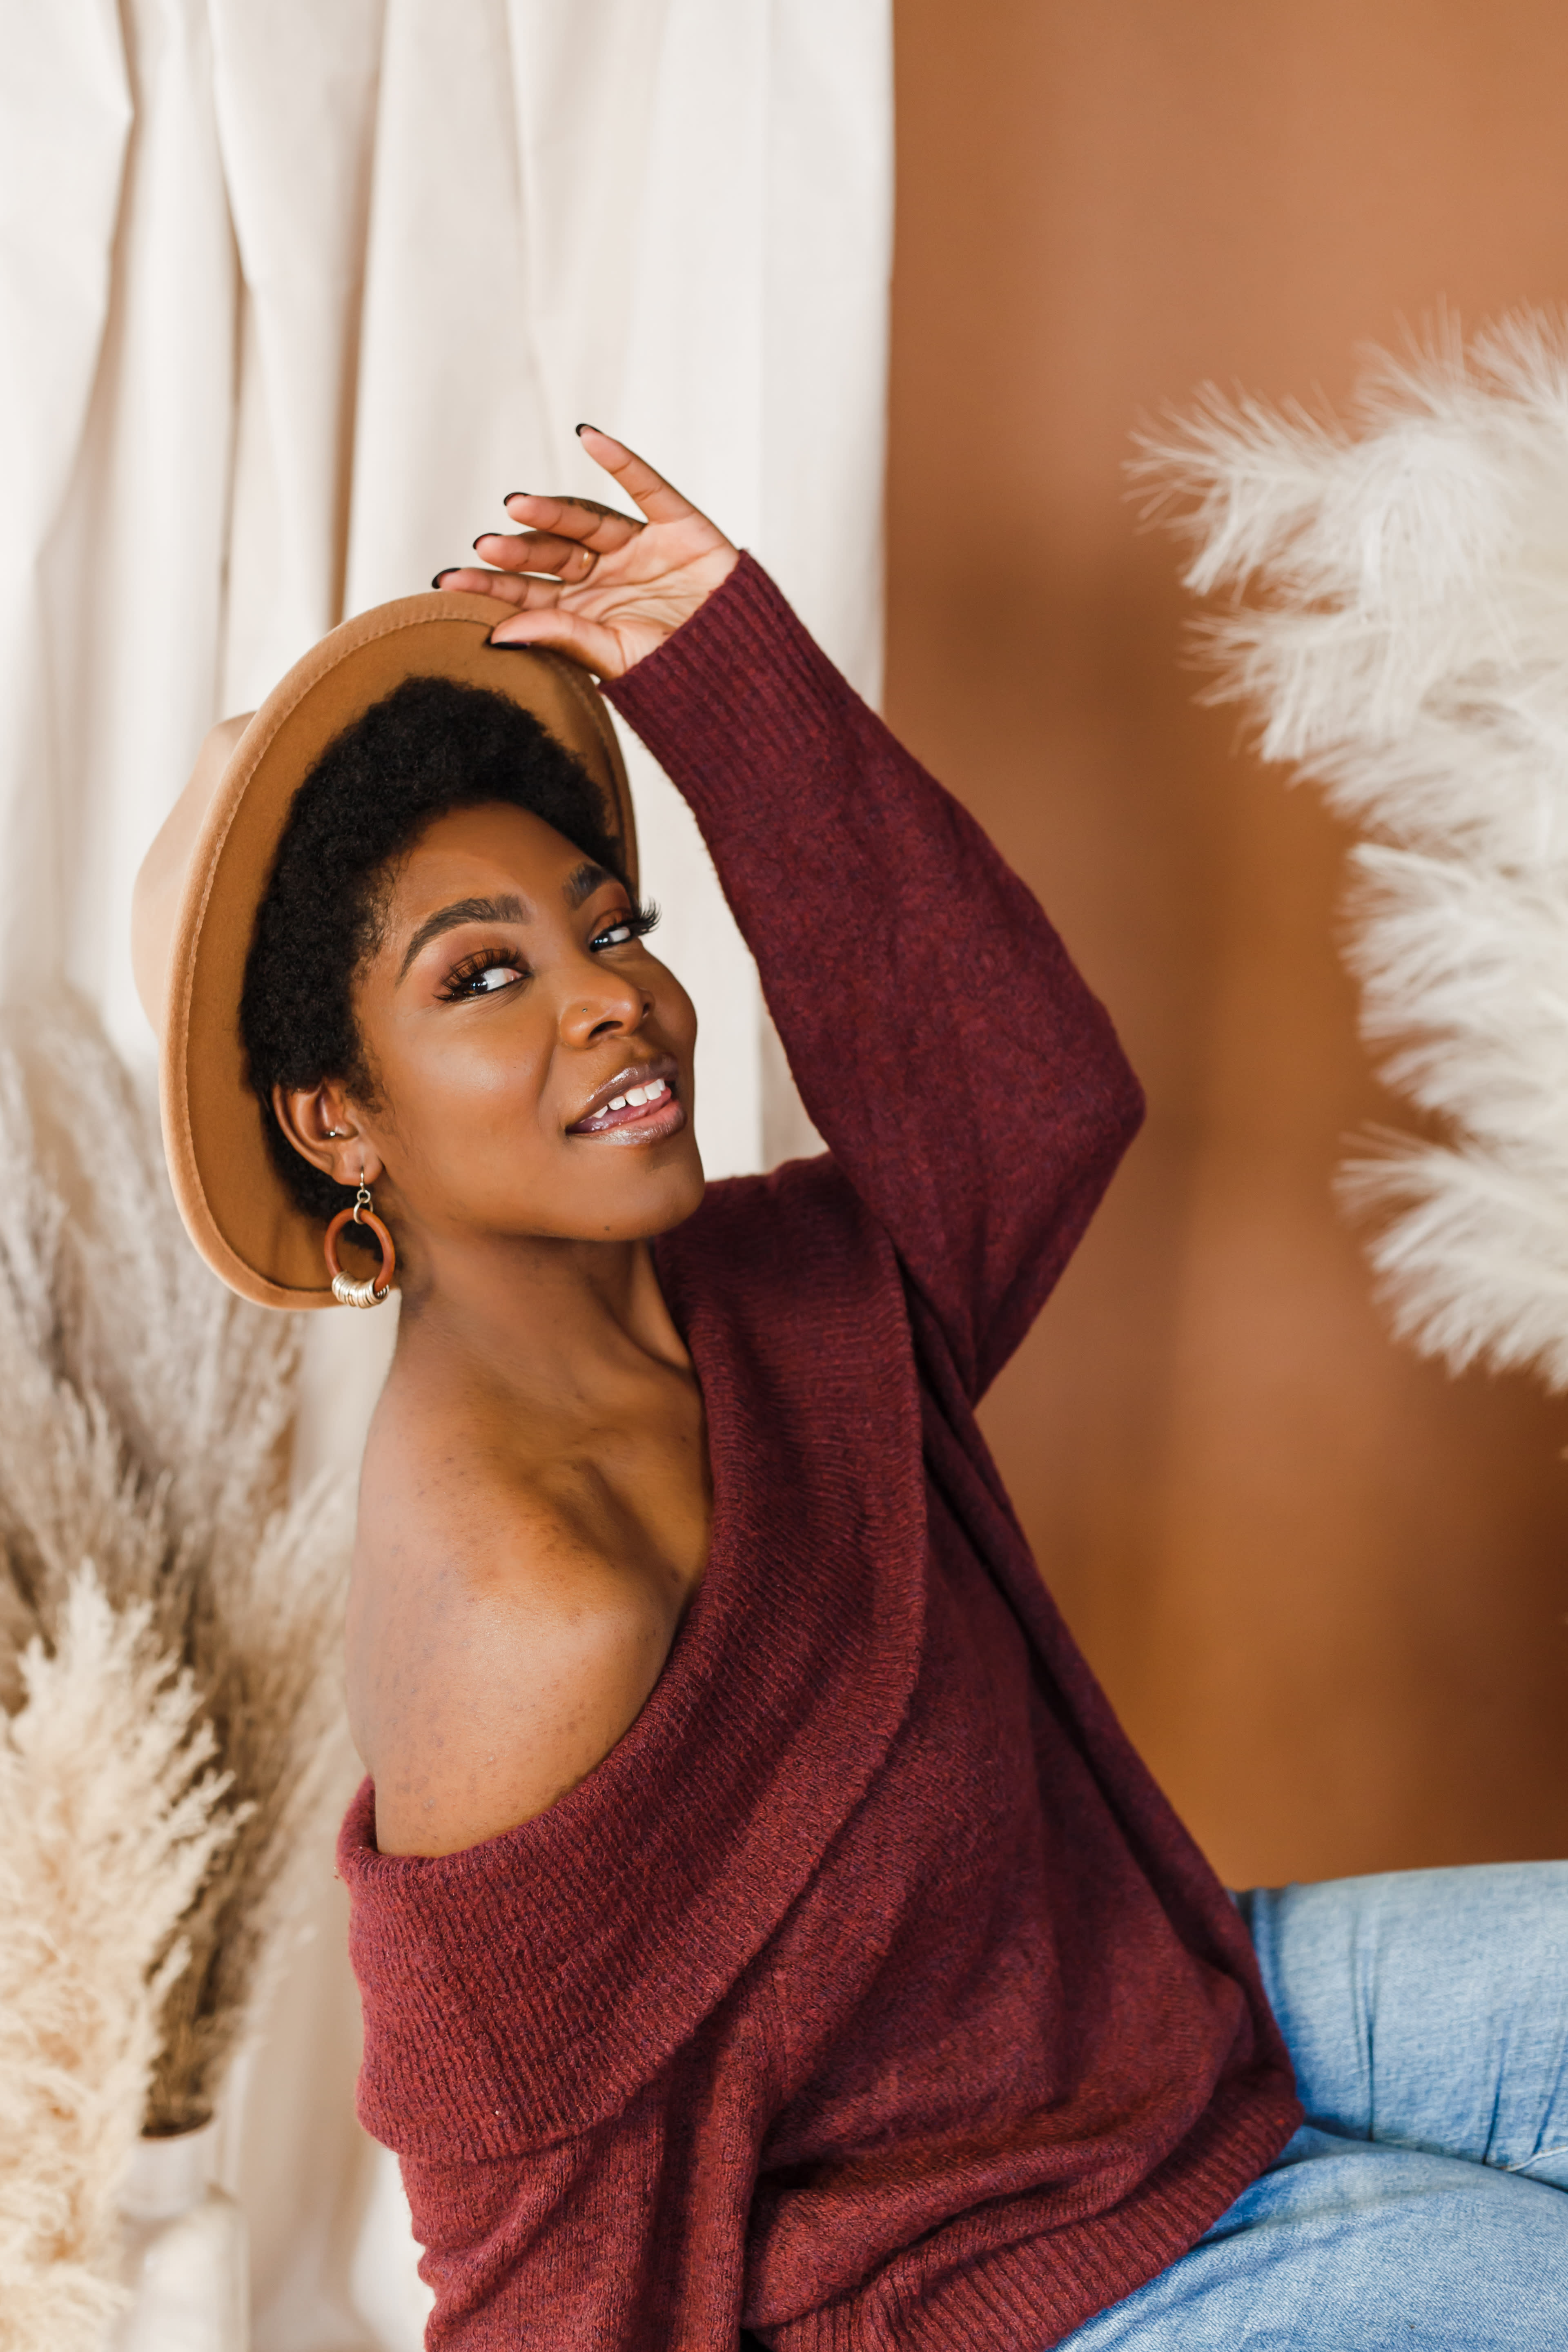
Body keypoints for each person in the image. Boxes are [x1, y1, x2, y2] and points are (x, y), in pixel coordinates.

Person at [134, 432, 1568, 2348]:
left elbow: (1032, 1105)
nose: (612, 1000)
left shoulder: (782, 1288)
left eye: (608, 926)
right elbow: (535, 2262)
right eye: (485, 979)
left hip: (1167, 2038)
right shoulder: (520, 1598)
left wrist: (727, 678)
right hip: (1000, 2295)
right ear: (338, 1120)